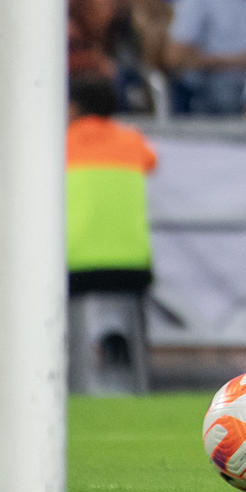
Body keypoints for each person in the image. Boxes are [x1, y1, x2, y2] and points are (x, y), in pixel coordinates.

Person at [63, 73, 159, 393]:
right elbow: (151, 162)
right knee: (135, 321)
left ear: (73, 107)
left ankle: (76, 378)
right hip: (133, 265)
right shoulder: (133, 142)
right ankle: (138, 379)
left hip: (76, 264)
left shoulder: (60, 145)